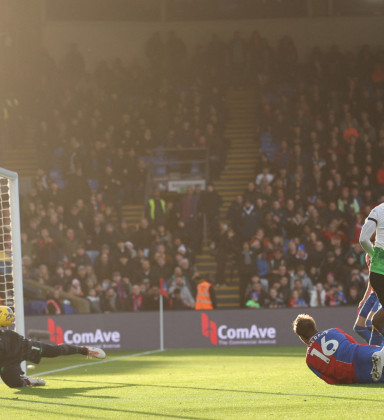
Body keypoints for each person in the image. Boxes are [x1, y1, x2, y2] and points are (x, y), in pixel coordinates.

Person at [0, 306, 106, 388]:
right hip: (7, 363)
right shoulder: (8, 335)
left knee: (54, 351)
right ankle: (27, 380)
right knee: (16, 385)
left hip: (25, 349)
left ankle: (85, 350)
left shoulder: (10, 336)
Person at [293, 313, 384, 384]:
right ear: (314, 327)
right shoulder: (334, 331)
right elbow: (353, 343)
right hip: (360, 353)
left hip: (354, 373)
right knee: (374, 353)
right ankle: (375, 356)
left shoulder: (309, 360)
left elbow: (331, 381)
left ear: (302, 337)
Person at [359, 204, 384, 334]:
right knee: (375, 321)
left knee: (376, 321)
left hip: (379, 272)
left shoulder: (378, 210)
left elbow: (363, 239)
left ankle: (377, 352)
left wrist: (375, 255)